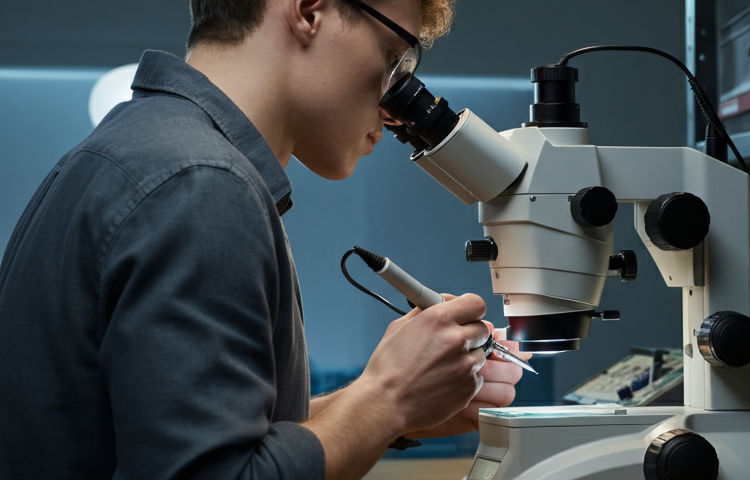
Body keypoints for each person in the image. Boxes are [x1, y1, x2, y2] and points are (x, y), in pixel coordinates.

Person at [0, 0, 530, 479]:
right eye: (395, 61)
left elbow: (208, 444)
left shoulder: (136, 151)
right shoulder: (199, 184)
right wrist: (385, 398)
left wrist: (398, 406)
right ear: (308, 10)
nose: (395, 111)